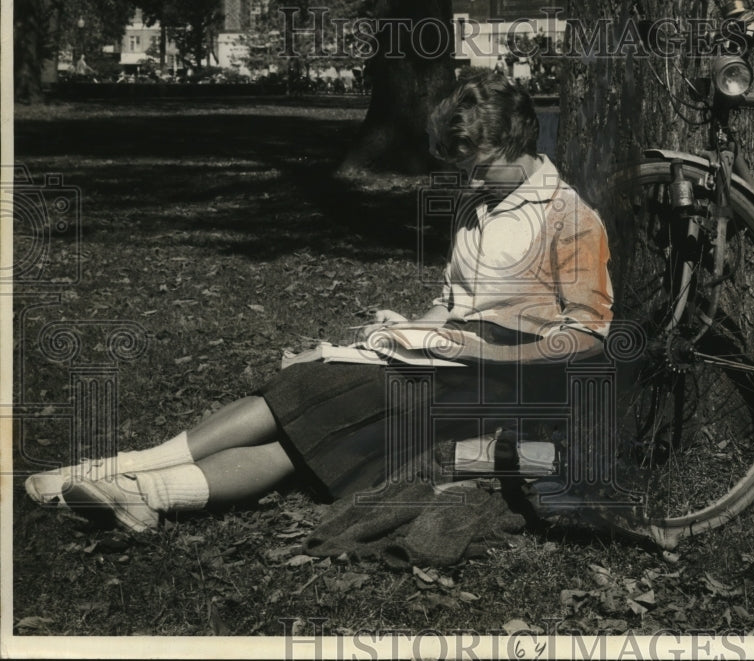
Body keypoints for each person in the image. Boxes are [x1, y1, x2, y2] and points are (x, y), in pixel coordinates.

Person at [25, 70, 615, 534]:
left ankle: (142, 492)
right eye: (463, 170)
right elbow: (455, 302)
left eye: (480, 168)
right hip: (440, 363)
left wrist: (486, 352)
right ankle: (126, 469)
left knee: (313, 422)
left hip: (495, 388)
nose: (471, 182)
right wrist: (406, 330)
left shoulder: (569, 219)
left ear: (518, 141)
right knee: (309, 378)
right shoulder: (478, 204)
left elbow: (587, 336)